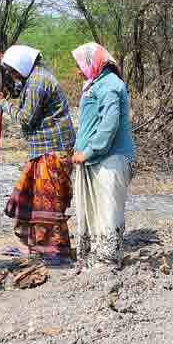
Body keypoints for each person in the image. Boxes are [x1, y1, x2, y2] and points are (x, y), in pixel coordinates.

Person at [0, 45, 77, 264]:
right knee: (31, 198)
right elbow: (18, 90)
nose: (12, 75)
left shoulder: (38, 82)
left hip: (53, 149)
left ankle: (54, 252)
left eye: (12, 70)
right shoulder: (35, 76)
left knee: (47, 202)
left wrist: (2, 104)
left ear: (22, 66)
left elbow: (26, 118)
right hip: (43, 149)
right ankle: (37, 247)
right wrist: (3, 64)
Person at [70, 42, 135, 272]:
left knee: (107, 213)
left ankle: (106, 264)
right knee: (93, 212)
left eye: (80, 65)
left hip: (111, 159)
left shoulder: (110, 85)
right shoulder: (96, 84)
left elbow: (109, 125)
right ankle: (93, 262)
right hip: (96, 160)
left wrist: (89, 151)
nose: (78, 71)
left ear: (92, 62)